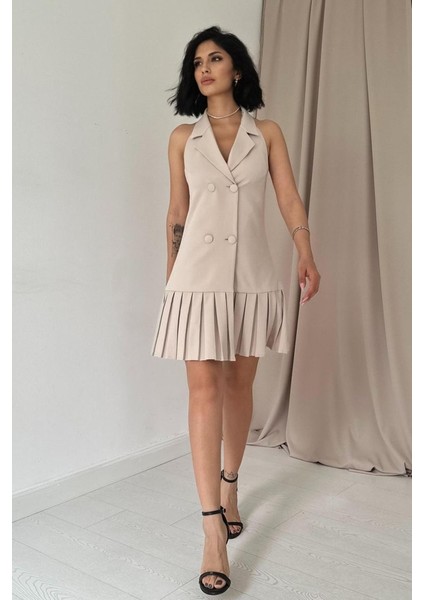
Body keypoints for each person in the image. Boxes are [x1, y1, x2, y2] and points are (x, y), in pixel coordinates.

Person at [151, 25, 320, 595]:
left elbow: (288, 195)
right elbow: (177, 212)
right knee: (202, 391)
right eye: (197, 61)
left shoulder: (265, 133)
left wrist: (305, 252)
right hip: (195, 281)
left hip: (251, 278)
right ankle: (211, 533)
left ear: (237, 70)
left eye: (215, 58)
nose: (204, 68)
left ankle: (231, 485)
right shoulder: (182, 137)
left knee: (238, 386)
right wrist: (172, 281)